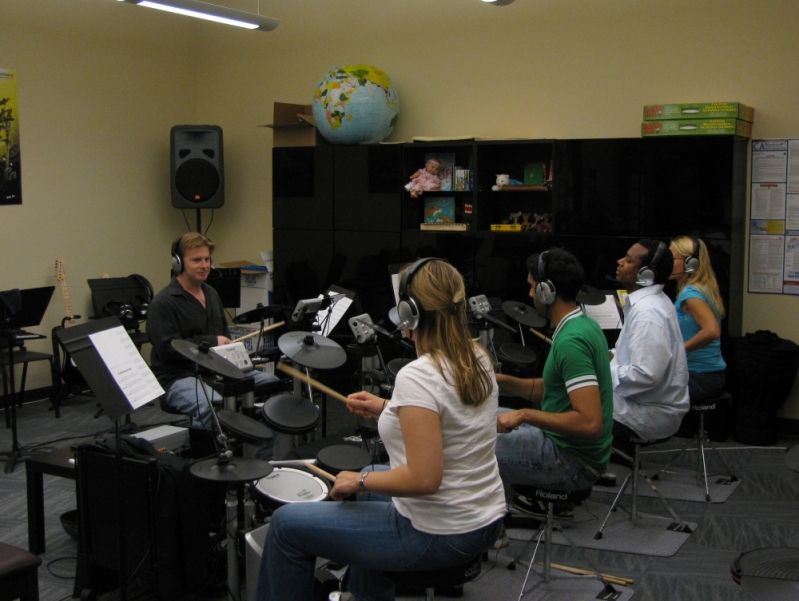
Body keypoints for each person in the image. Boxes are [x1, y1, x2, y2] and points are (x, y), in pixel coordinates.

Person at [256, 259, 505, 601]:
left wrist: (358, 480)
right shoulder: (477, 358)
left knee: (286, 526)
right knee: (374, 471)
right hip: (484, 520)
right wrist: (386, 408)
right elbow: (451, 421)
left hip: (437, 533)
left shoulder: (419, 375)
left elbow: (423, 479)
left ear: (410, 312)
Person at [494, 249, 614, 517]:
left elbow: (590, 423)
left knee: (464, 443)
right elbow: (551, 390)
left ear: (547, 291)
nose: (529, 294)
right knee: (475, 421)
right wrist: (497, 380)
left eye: (532, 287)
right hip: (566, 447)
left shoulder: (572, 341)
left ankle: (481, 530)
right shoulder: (583, 324)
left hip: (572, 462)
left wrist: (524, 414)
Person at [147, 232, 280, 431]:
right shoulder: (163, 303)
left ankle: (261, 453)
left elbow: (222, 337)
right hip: (179, 377)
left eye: (207, 259)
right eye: (196, 260)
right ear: (178, 263)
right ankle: (210, 456)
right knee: (214, 405)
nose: (204, 265)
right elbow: (168, 348)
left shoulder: (211, 293)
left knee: (272, 385)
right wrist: (212, 341)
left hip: (216, 371)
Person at [609, 239, 689, 445]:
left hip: (650, 413)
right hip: (644, 403)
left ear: (646, 274)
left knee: (568, 399)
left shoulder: (648, 312)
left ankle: (575, 470)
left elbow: (644, 375)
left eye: (627, 260)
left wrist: (601, 369)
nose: (619, 262)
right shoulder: (650, 302)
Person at [669, 236, 726, 402]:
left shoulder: (691, 294)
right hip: (705, 375)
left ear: (690, 263)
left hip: (700, 377)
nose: (666, 263)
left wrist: (678, 351)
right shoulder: (702, 288)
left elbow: (712, 331)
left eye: (672, 258)